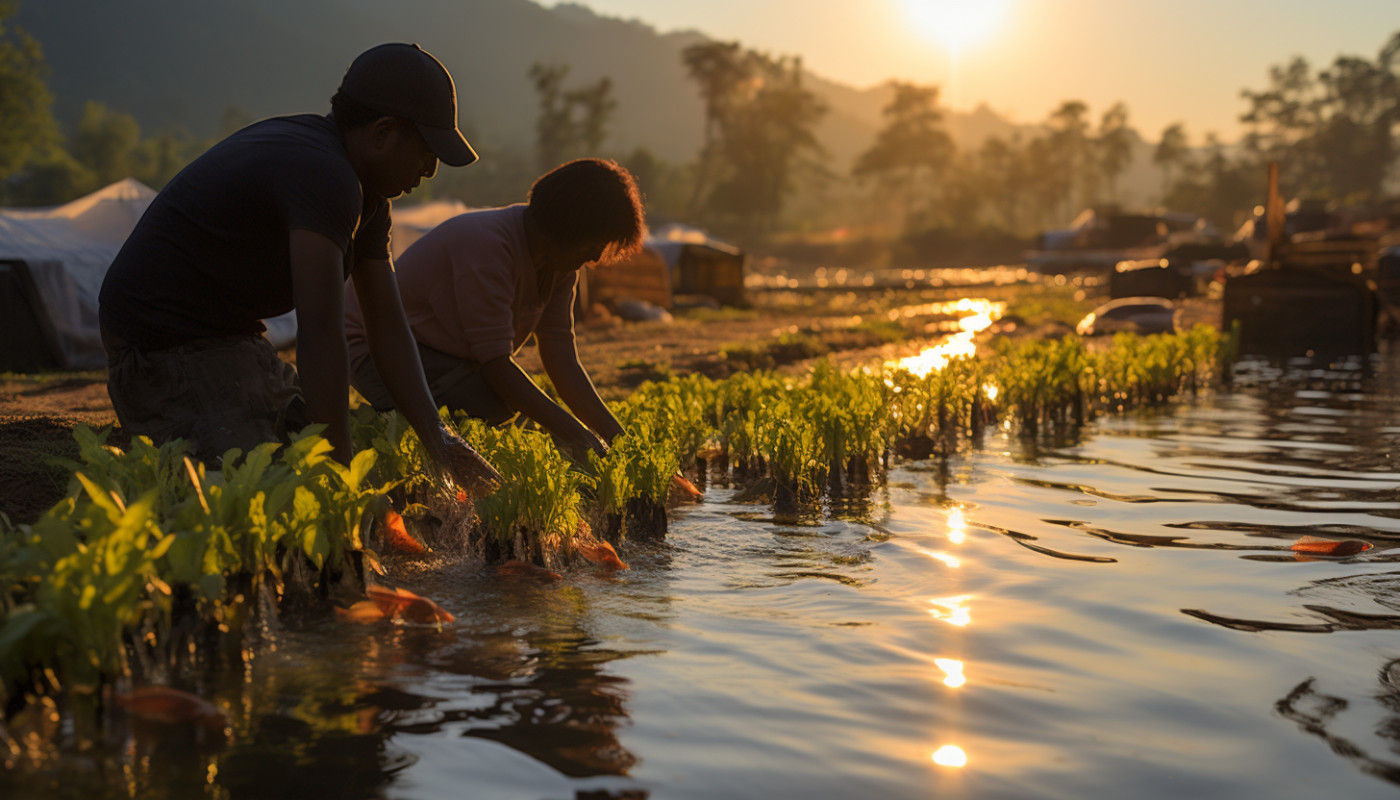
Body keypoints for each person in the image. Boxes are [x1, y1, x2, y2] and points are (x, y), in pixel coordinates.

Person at [98, 43, 500, 494]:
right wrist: (340, 482)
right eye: (426, 151)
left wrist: (438, 437)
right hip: (159, 348)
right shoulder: (324, 174)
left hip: (231, 343)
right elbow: (320, 334)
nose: (430, 170)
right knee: (265, 485)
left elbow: (387, 326)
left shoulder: (368, 198)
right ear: (383, 132)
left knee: (323, 449)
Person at [344, 158, 644, 464]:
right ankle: (377, 425)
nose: (596, 256)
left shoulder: (560, 265)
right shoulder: (487, 247)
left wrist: (619, 441)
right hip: (374, 349)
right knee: (489, 400)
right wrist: (577, 435)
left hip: (440, 353)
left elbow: (561, 357)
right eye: (593, 243)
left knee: (507, 404)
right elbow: (496, 366)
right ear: (566, 227)